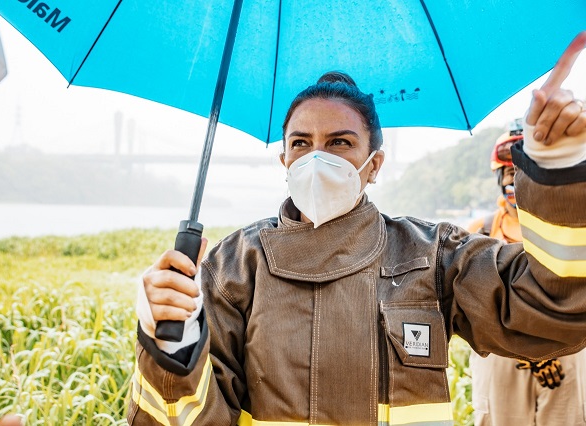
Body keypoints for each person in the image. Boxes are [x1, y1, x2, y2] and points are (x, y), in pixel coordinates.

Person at [128, 43, 586, 424]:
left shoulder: (434, 254)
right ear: (284, 160)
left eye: (340, 142)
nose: (316, 158)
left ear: (374, 164)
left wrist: (559, 170)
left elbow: (551, 309)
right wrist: (171, 343)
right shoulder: (231, 267)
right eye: (301, 143)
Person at [467, 122, 586, 425]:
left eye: (528, 172)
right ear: (499, 178)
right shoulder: (478, 233)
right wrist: (532, 354)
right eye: (511, 173)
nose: (518, 182)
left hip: (567, 356)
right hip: (501, 357)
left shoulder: (574, 230)